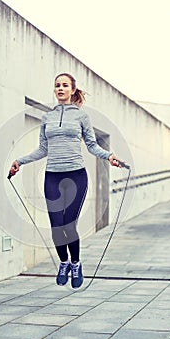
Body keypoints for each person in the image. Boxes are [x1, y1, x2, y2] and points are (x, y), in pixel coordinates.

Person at [9, 72, 122, 289]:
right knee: (55, 227)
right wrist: (19, 161)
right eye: (57, 85)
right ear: (55, 90)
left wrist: (108, 155)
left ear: (72, 90)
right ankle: (64, 263)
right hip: (52, 176)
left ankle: (76, 264)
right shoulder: (47, 118)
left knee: (69, 226)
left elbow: (91, 145)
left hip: (75, 176)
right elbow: (43, 149)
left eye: (64, 85)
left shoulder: (81, 117)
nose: (60, 89)